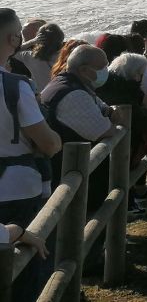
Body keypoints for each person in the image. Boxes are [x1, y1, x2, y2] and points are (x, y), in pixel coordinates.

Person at [41, 44, 123, 271]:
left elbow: (104, 109)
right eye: (102, 67)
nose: (106, 71)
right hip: (68, 170)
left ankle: (84, 260)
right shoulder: (73, 94)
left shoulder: (70, 84)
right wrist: (111, 119)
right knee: (84, 218)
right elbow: (104, 130)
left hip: (68, 169)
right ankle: (85, 264)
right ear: (85, 70)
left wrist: (108, 113)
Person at [0, 9, 61, 302]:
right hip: (18, 188)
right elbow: (48, 144)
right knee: (26, 267)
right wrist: (54, 141)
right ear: (14, 39)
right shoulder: (15, 86)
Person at [17, 23, 65, 90]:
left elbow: (13, 50)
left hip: (43, 94)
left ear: (39, 40)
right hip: (64, 92)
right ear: (61, 37)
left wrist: (32, 41)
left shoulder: (30, 56)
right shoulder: (66, 55)